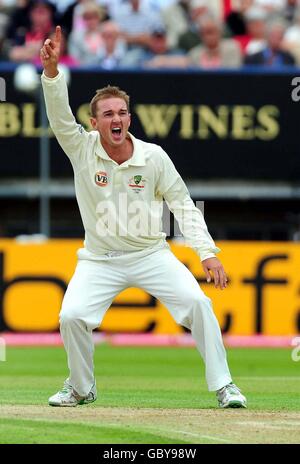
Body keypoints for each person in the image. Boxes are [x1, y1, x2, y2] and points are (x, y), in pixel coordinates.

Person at [40, 25, 247, 409]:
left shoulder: (153, 157)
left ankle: (225, 386)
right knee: (71, 316)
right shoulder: (81, 148)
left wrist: (207, 252)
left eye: (122, 113)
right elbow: (58, 118)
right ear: (95, 121)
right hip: (99, 259)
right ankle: (81, 387)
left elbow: (184, 204)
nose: (116, 119)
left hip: (151, 255)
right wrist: (52, 73)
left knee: (199, 305)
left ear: (129, 119)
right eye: (107, 114)